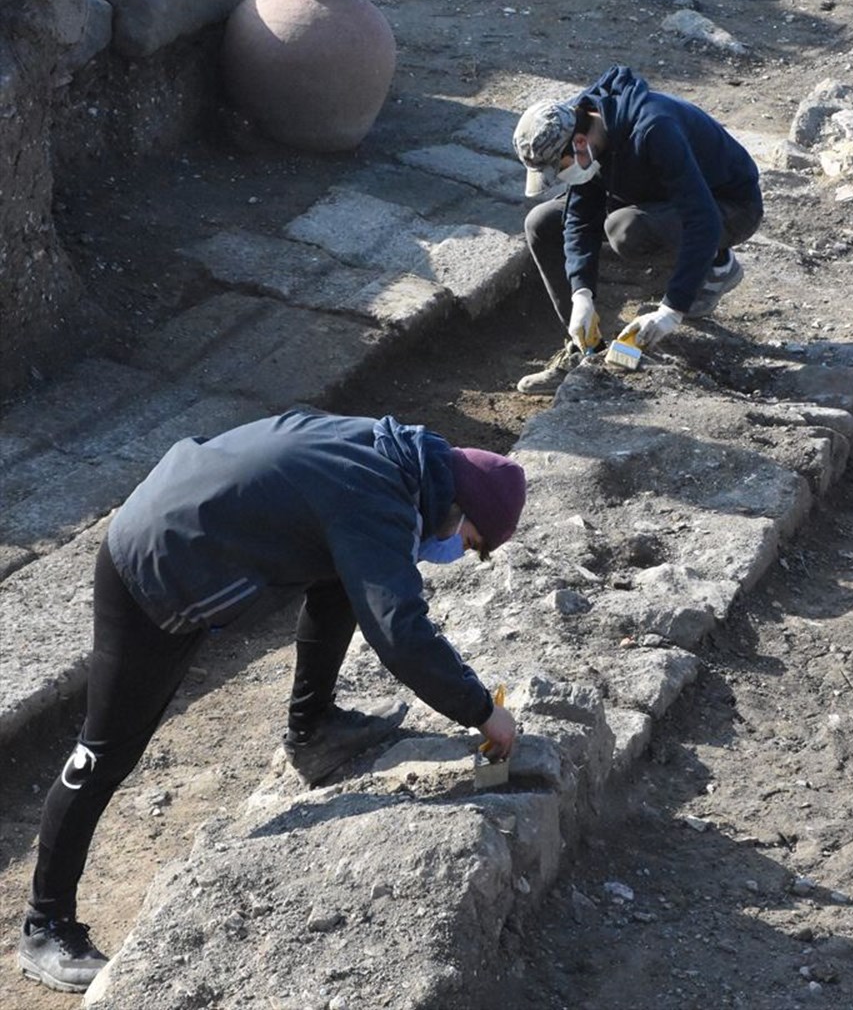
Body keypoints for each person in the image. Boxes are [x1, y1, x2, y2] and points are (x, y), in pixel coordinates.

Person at [19, 409, 526, 994]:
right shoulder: (379, 499)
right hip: (156, 563)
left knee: (343, 577)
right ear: (459, 507)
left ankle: (313, 729)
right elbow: (402, 634)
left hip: (183, 513)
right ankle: (44, 924)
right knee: (103, 750)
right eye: (470, 542)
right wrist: (483, 710)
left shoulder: (394, 455)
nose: (456, 550)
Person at [512, 64, 764, 393]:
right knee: (542, 222)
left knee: (627, 231)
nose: (559, 178)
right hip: (651, 193)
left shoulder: (654, 128)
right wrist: (581, 295)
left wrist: (671, 310)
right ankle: (586, 350)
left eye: (558, 168)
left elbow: (702, 219)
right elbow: (578, 217)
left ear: (579, 142)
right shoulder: (587, 130)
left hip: (728, 205)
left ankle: (716, 265)